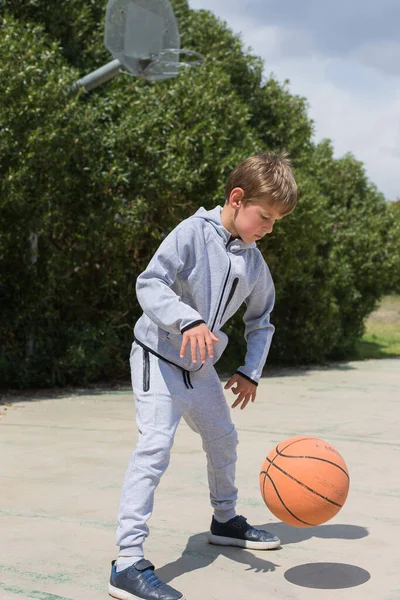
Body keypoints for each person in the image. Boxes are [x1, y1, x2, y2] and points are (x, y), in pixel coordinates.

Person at [109, 151, 298, 600]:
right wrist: (187, 320)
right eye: (265, 217)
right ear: (237, 198)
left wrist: (250, 370)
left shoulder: (253, 262)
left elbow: (262, 319)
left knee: (223, 439)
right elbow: (150, 282)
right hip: (157, 355)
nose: (268, 228)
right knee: (155, 447)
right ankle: (127, 561)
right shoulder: (193, 233)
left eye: (275, 221)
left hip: (199, 368)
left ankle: (225, 519)